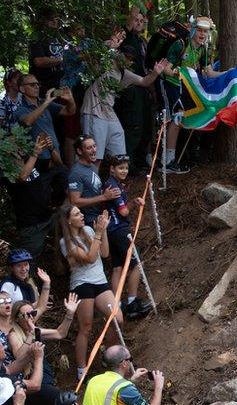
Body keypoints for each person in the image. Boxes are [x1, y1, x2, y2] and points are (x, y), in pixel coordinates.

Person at [57, 204, 120, 379]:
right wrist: (98, 233)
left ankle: (109, 357)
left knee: (117, 318)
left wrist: (103, 230)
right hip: (81, 284)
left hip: (100, 280)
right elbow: (90, 258)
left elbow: (105, 253)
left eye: (81, 212)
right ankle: (81, 369)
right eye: (77, 214)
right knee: (86, 327)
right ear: (69, 220)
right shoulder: (66, 242)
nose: (82, 215)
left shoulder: (89, 231)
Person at [82, 50, 168, 165]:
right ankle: (91, 181)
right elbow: (88, 58)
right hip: (94, 112)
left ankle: (115, 181)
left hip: (109, 114)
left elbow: (144, 81)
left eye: (131, 60)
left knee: (120, 155)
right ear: (118, 53)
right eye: (126, 57)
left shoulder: (124, 73)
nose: (128, 61)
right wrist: (110, 47)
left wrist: (155, 73)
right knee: (95, 156)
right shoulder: (103, 63)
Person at [158, 17, 217, 174]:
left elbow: (208, 72)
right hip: (171, 84)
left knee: (182, 120)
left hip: (186, 88)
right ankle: (166, 161)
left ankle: (173, 158)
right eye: (199, 30)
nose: (202, 34)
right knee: (175, 118)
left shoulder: (203, 49)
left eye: (205, 31)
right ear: (192, 30)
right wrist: (179, 72)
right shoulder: (181, 44)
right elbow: (166, 69)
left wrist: (231, 74)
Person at [103, 155, 153, 318]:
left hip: (111, 231)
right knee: (138, 263)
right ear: (112, 169)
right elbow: (123, 211)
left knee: (117, 268)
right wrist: (134, 203)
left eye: (126, 168)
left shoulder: (112, 184)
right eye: (120, 168)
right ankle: (132, 302)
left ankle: (117, 304)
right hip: (120, 230)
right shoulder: (114, 187)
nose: (124, 171)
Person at [2, 134, 58, 261]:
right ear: (8, 151)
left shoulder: (32, 161)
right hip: (31, 225)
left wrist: (51, 148)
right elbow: (22, 177)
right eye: (16, 145)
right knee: (28, 262)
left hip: (47, 216)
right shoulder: (8, 171)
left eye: (21, 144)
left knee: (66, 232)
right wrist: (35, 154)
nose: (20, 148)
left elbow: (56, 164)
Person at [117, 7, 153, 174]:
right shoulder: (127, 39)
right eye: (136, 20)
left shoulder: (142, 41)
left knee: (146, 124)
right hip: (131, 88)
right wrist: (134, 11)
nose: (138, 23)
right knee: (133, 125)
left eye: (141, 21)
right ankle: (128, 165)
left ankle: (140, 160)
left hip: (144, 86)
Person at [15, 75, 74, 166]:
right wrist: (47, 102)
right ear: (22, 89)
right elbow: (28, 121)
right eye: (32, 84)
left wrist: (70, 99)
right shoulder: (20, 108)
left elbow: (70, 111)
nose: (37, 87)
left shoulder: (44, 102)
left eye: (38, 84)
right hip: (37, 161)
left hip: (55, 156)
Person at [68, 135, 120, 225]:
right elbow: (74, 201)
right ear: (80, 151)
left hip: (100, 214)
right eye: (89, 148)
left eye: (94, 146)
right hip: (89, 220)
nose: (94, 150)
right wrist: (103, 197)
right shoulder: (76, 172)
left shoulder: (92, 166)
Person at [1, 251, 50, 321]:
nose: (24, 269)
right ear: (11, 268)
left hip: (29, 323)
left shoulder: (29, 283)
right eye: (19, 266)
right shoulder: (8, 285)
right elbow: (5, 313)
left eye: (26, 264)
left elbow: (39, 308)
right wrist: (33, 306)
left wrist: (47, 282)